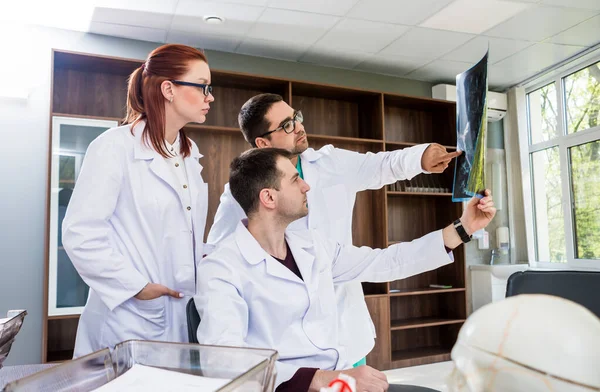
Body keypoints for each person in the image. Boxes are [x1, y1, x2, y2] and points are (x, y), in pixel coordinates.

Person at [196, 148, 495, 392]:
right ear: (269, 198)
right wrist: (320, 379)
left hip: (337, 382)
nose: (306, 185)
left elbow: (384, 261)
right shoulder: (222, 268)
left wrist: (463, 228)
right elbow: (224, 364)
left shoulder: (311, 246)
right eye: (294, 179)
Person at [206, 93, 461, 367]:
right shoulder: (240, 193)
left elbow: (382, 165)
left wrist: (420, 158)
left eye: (296, 118)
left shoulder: (331, 164)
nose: (299, 127)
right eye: (287, 126)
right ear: (262, 142)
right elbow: (218, 251)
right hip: (285, 331)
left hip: (344, 321)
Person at [62, 44, 214, 357]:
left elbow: (183, 237)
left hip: (182, 314)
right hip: (129, 317)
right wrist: (137, 287)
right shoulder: (115, 148)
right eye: (202, 86)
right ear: (168, 89)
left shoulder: (188, 154)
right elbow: (80, 234)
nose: (210, 97)